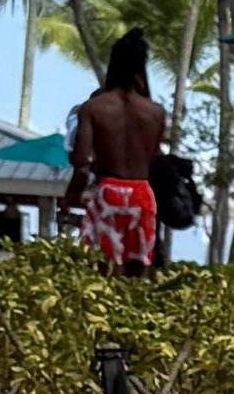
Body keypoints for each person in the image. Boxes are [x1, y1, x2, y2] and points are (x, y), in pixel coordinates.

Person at [66, 30, 165, 272]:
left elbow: (81, 160)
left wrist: (71, 197)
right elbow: (153, 158)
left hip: (108, 191)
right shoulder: (155, 112)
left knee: (101, 269)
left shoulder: (93, 108)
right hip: (142, 193)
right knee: (138, 269)